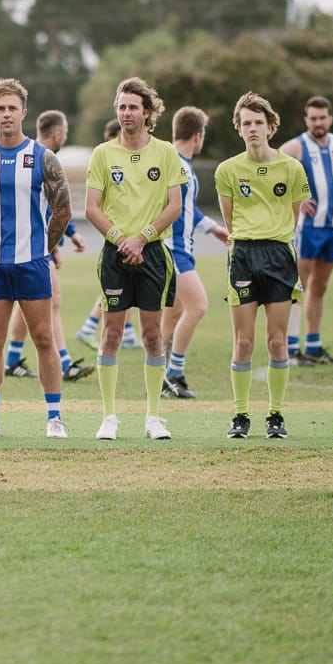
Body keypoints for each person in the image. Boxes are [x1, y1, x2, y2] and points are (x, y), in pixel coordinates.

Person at [0, 78, 73, 439]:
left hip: (32, 263)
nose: (6, 114)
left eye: (12, 108)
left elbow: (63, 210)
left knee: (43, 338)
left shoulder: (44, 158)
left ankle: (54, 417)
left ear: (24, 112)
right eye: (0, 108)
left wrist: (42, 247)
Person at [83, 77, 185, 441]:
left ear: (147, 112)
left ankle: (153, 417)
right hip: (115, 253)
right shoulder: (103, 153)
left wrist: (142, 239)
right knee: (110, 333)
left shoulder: (166, 152)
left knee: (152, 335)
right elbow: (91, 207)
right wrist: (121, 240)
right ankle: (109, 416)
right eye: (122, 107)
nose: (127, 113)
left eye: (133, 107)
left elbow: (175, 205)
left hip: (153, 253)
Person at [214, 92, 309, 440]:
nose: (252, 128)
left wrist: (273, 236)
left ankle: (275, 415)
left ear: (270, 126)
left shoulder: (292, 168)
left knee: (277, 341)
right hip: (242, 255)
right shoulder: (227, 170)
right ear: (238, 129)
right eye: (246, 123)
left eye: (258, 122)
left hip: (279, 255)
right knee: (243, 341)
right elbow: (230, 219)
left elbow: (294, 216)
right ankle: (240, 415)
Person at [4, 110, 94, 384]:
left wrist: (71, 234)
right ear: (57, 135)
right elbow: (46, 209)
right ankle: (64, 363)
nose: (64, 138)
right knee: (51, 300)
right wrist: (55, 244)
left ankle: (12, 359)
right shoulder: (42, 160)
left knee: (29, 301)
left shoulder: (34, 156)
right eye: (64, 134)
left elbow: (53, 207)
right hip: (34, 246)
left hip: (32, 243)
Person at [159, 106, 230, 400]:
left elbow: (187, 208)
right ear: (198, 136)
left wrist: (213, 228)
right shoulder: (175, 164)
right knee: (198, 306)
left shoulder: (181, 164)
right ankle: (173, 373)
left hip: (179, 249)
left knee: (174, 311)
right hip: (174, 250)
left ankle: (160, 373)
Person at [281, 95, 333, 364]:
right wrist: (293, 198)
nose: (318, 123)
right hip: (307, 228)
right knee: (298, 287)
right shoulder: (295, 147)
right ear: (306, 119)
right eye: (313, 118)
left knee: (319, 289)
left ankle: (314, 345)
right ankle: (291, 347)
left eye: (322, 118)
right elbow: (271, 171)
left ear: (330, 118)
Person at [75, 118, 141, 352]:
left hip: (130, 236)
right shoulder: (104, 161)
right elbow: (94, 205)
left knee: (128, 289)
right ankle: (88, 327)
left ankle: (128, 334)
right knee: (116, 291)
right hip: (115, 236)